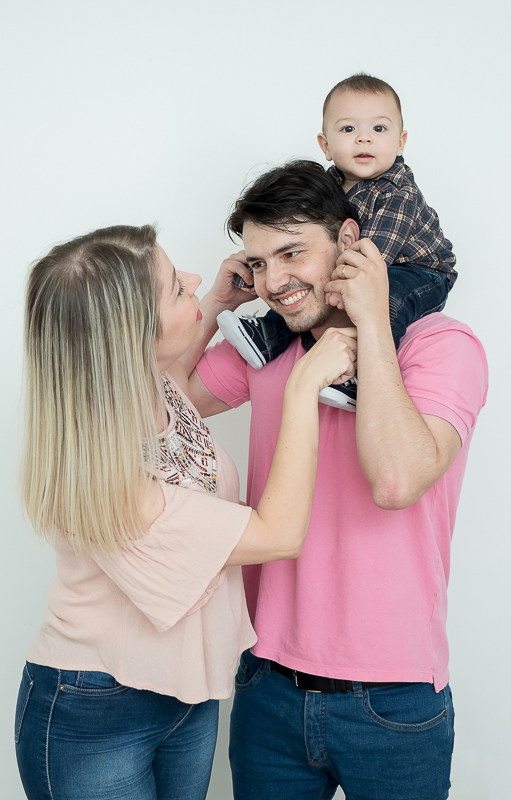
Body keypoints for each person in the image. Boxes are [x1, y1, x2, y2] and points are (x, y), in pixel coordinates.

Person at [14, 224, 356, 800]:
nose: (198, 280)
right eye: (177, 288)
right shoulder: (118, 483)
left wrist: (216, 303)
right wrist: (304, 385)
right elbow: (278, 534)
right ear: (131, 339)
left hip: (186, 697)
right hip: (96, 710)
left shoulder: (146, 387)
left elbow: (171, 373)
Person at [187, 162, 488, 800]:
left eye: (292, 253)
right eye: (260, 262)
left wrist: (371, 323)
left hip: (395, 702)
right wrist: (215, 304)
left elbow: (397, 480)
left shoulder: (442, 346)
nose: (276, 281)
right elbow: (166, 399)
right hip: (266, 687)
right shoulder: (268, 351)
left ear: (351, 242)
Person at [217, 73, 457, 412]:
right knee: (294, 289)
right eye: (348, 130)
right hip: (372, 262)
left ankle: (358, 374)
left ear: (401, 141)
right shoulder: (328, 185)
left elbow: (373, 261)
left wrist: (334, 290)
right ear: (325, 145)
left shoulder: (398, 193)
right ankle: (266, 338)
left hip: (420, 271)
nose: (364, 140)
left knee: (384, 303)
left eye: (379, 129)